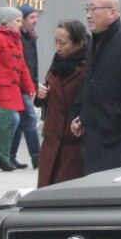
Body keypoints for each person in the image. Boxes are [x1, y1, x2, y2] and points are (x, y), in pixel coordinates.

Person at [72, 0, 121, 174]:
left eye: (94, 9)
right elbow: (89, 83)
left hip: (118, 134)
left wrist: (118, 117)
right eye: (87, 9)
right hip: (93, 134)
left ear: (113, 13)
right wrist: (82, 115)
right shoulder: (93, 44)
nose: (88, 15)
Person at [35, 19, 88, 187]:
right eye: (56, 42)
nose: (58, 47)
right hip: (51, 140)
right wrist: (41, 95)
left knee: (64, 191)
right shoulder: (56, 64)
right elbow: (50, 95)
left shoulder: (88, 68)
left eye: (63, 43)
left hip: (72, 142)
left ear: (78, 44)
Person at [0, 6, 34, 172]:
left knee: (16, 123)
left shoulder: (16, 39)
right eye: (17, 21)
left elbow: (22, 66)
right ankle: (1, 157)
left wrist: (29, 86)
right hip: (0, 89)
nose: (20, 24)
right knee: (12, 120)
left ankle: (8, 157)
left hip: (14, 90)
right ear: (8, 22)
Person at [8, 3, 42, 170]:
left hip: (26, 88)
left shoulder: (30, 37)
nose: (35, 20)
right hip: (19, 88)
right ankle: (38, 158)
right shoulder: (19, 38)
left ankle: (9, 156)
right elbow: (20, 66)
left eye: (36, 17)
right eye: (32, 17)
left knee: (22, 124)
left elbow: (31, 65)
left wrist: (33, 86)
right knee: (30, 120)